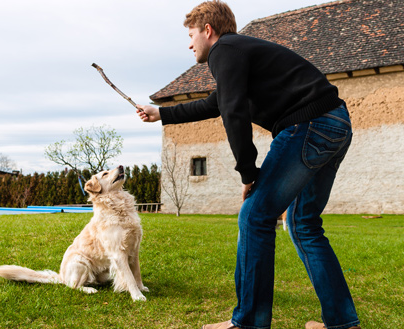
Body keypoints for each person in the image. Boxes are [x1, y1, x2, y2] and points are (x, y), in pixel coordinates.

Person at [136, 1, 361, 328]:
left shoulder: (224, 50)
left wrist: (248, 172)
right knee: (303, 224)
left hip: (308, 126)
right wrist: (162, 114)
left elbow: (233, 112)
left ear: (208, 30)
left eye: (191, 34)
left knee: (255, 215)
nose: (189, 44)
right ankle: (342, 322)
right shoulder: (240, 53)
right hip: (336, 123)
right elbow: (216, 103)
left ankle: (248, 323)